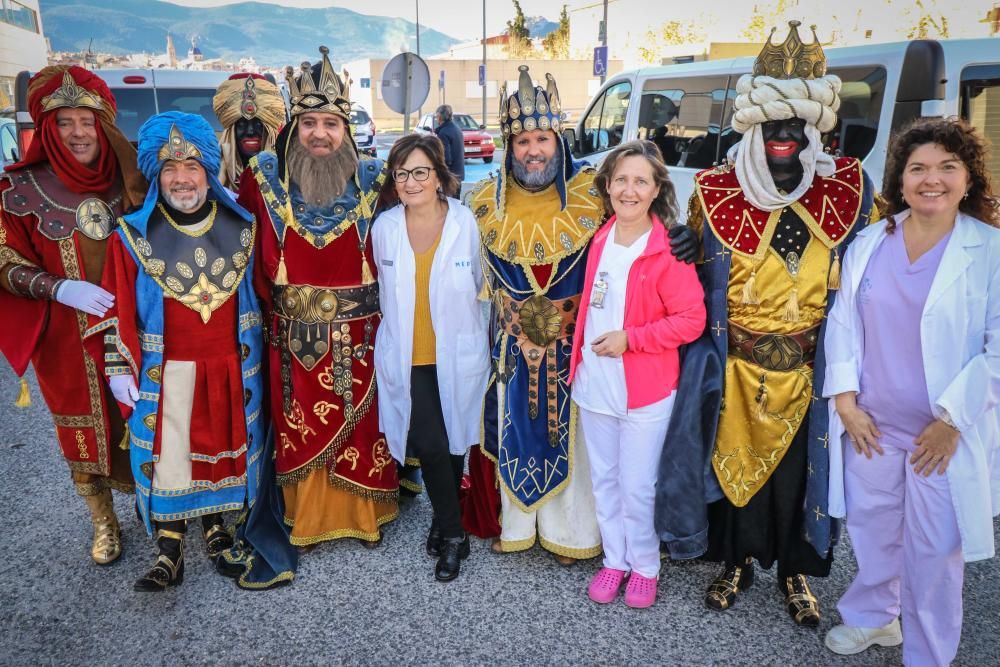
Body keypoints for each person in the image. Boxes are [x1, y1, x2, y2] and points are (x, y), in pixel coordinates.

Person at [678, 21, 882, 625]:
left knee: (799, 481)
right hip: (737, 367)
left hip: (810, 370)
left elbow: (878, 263)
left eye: (797, 123)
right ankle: (735, 562)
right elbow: (691, 282)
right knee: (733, 468)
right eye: (774, 123)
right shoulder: (714, 191)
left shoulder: (851, 189)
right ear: (754, 125)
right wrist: (682, 248)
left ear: (815, 126)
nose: (786, 134)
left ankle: (795, 573)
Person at [822, 118, 1000, 665]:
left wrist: (951, 422)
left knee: (933, 553)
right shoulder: (871, 243)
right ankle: (875, 621)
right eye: (918, 168)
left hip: (940, 437)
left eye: (948, 167)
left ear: (968, 179)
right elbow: (844, 323)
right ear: (900, 181)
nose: (932, 180)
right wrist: (846, 402)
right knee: (873, 535)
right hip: (873, 425)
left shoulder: (989, 250)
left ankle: (928, 653)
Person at [85, 111, 267, 591]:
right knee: (172, 461)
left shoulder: (244, 227)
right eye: (170, 169)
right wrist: (118, 365)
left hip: (231, 367)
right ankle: (170, 548)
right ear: (156, 175)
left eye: (192, 168)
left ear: (208, 171)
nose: (182, 179)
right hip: (167, 373)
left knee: (221, 456)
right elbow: (116, 303)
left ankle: (217, 531)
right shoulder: (131, 236)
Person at [238, 46, 398, 549]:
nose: (320, 135)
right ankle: (306, 516)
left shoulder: (375, 181)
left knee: (364, 425)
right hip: (291, 340)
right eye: (309, 123)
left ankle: (365, 513)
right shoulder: (262, 179)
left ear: (345, 129)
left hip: (363, 337)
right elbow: (242, 255)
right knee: (297, 423)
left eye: (330, 123)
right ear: (294, 127)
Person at [0, 65, 146, 566]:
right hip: (66, 338)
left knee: (150, 413)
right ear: (47, 128)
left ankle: (161, 502)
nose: (78, 132)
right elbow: (3, 258)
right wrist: (56, 287)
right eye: (65, 122)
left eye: (87, 120)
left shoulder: (134, 178)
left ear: (103, 122)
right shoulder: (18, 192)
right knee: (84, 427)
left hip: (139, 328)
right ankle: (104, 521)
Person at [569, 140, 705, 607]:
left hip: (645, 390)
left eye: (640, 181)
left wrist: (632, 338)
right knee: (604, 479)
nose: (629, 190)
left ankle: (645, 565)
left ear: (655, 190)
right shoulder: (598, 237)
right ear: (607, 187)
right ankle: (614, 561)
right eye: (621, 180)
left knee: (637, 484)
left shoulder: (667, 249)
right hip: (594, 384)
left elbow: (692, 320)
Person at [372, 133, 489, 581]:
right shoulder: (384, 228)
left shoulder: (466, 223)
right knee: (433, 443)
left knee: (456, 437)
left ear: (440, 176)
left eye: (421, 171)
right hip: (408, 356)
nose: (411, 181)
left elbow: (483, 281)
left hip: (457, 353)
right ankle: (455, 534)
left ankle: (442, 521)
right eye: (402, 174)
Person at [212, 72, 286, 190]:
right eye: (241, 124)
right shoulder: (212, 174)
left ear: (268, 130)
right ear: (231, 131)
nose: (251, 131)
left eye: (258, 124)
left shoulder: (287, 172)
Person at [434, 105, 464, 192]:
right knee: (456, 202)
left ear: (439, 116)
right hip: (458, 173)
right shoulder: (457, 128)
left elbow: (446, 158)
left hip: (450, 176)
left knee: (448, 203)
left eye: (437, 116)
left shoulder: (443, 133)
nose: (436, 119)